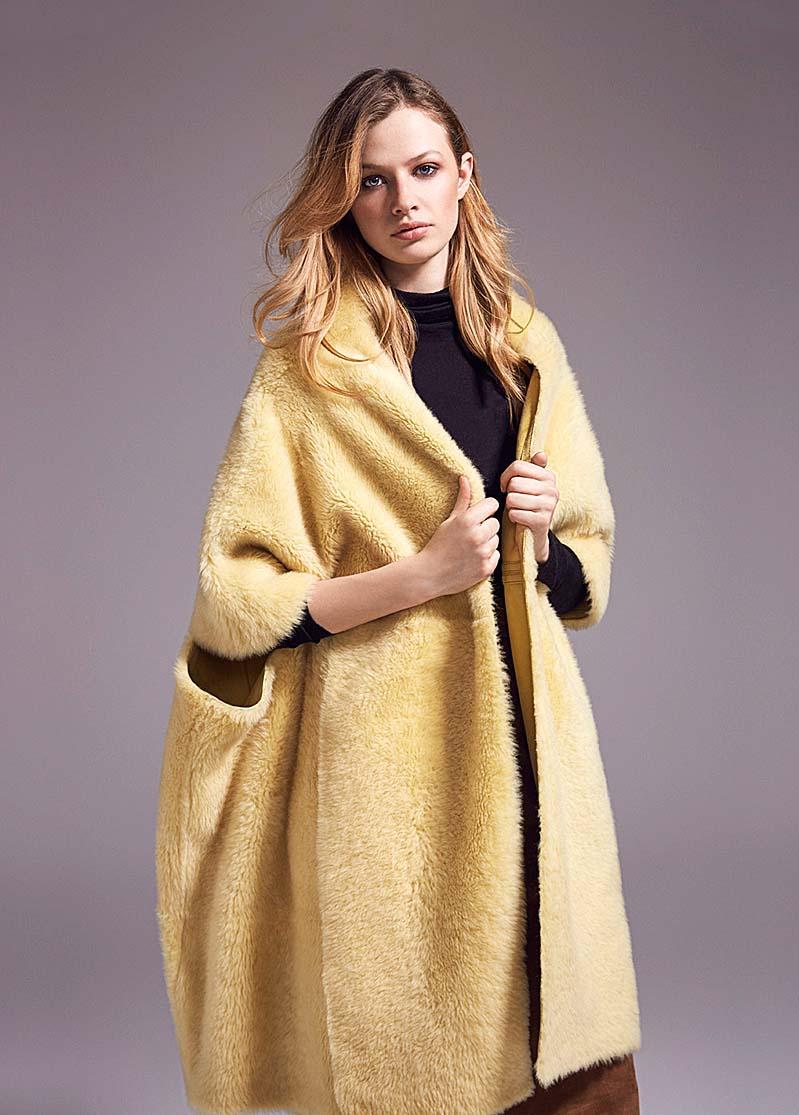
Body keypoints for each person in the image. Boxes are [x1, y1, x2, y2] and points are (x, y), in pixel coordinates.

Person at [155, 67, 641, 1115]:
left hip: (536, 746)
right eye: (371, 181)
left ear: (465, 174)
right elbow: (234, 594)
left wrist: (540, 538)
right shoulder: (310, 369)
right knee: (423, 1056)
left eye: (422, 170)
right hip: (391, 769)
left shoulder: (526, 345)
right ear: (344, 200)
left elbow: (581, 572)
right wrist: (418, 576)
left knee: (575, 1051)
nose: (402, 201)